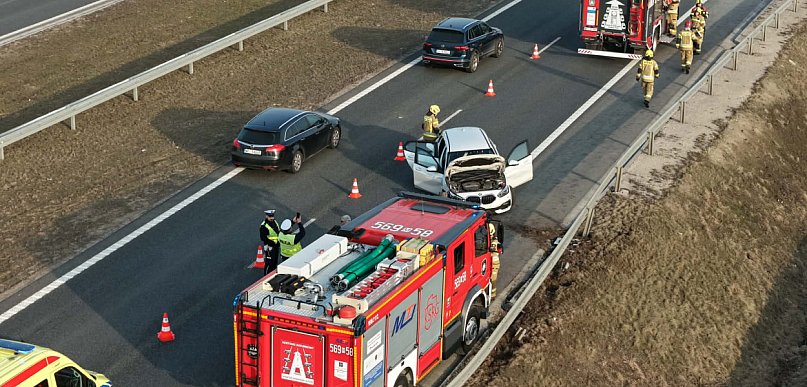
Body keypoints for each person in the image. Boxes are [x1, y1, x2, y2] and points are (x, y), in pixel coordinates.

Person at [259, 209, 280, 275]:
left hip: (276, 245)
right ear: (266, 216)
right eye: (270, 216)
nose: (271, 218)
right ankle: (266, 276)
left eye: (272, 216)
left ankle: (273, 275)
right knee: (269, 263)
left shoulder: (275, 222)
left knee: (275, 262)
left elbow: (278, 232)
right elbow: (263, 238)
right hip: (269, 247)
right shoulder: (263, 226)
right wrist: (273, 243)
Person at [488, 223, 501, 299]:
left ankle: (492, 295)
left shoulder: (493, 244)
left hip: (494, 264)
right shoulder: (494, 242)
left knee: (493, 279)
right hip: (493, 263)